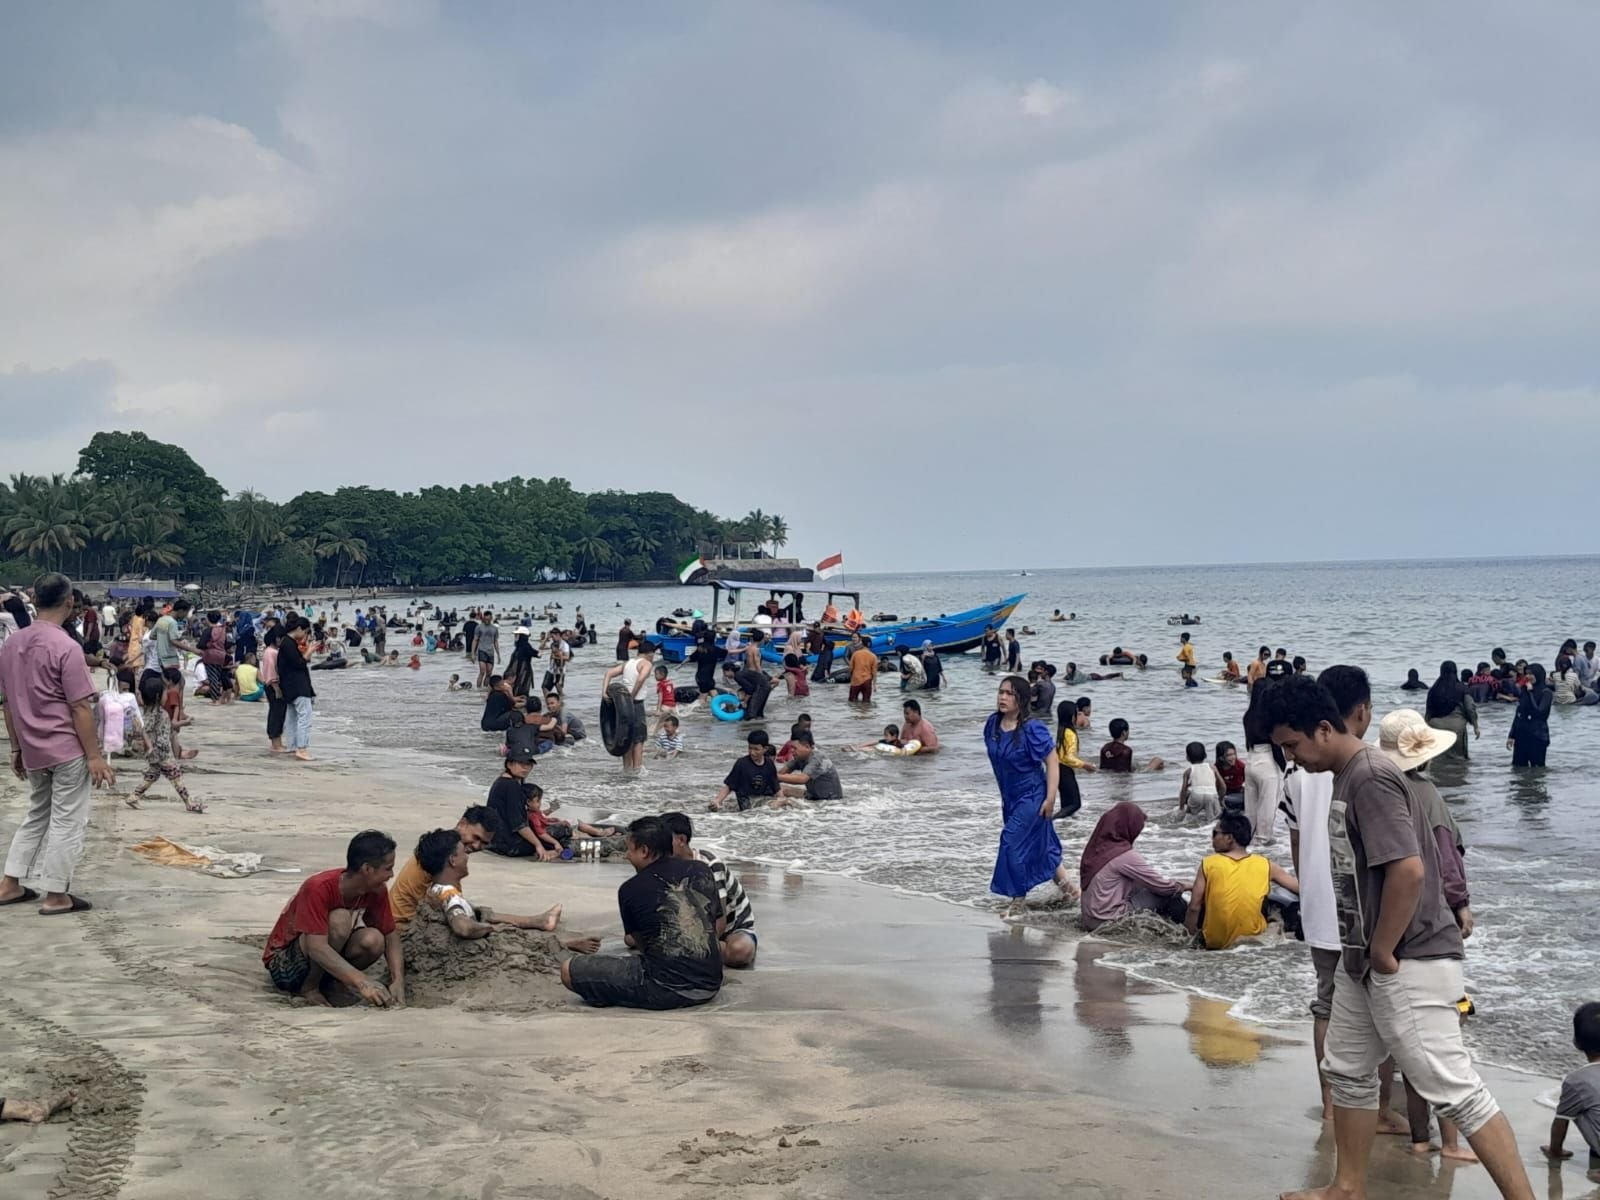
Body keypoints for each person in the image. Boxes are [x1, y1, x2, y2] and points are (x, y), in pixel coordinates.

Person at [1262, 675, 1534, 1200]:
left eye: (1293, 746)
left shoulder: (1370, 776)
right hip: (1362, 956)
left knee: (1452, 1087)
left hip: (1408, 956)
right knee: (1346, 1067)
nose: (1292, 759)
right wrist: (1364, 953)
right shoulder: (1347, 775)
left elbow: (1408, 872)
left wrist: (1383, 948)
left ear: (1324, 729)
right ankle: (1347, 1186)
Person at [0, 574, 115, 916]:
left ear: (34, 601)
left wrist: (17, 748)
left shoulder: (11, 644)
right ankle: (55, 893)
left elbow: (7, 701)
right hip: (66, 747)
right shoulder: (66, 646)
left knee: (37, 814)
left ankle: (10, 883)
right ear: (69, 603)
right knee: (67, 820)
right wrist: (94, 756)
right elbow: (80, 705)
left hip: (33, 747)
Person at [561, 816, 723, 1010]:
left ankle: (611, 995)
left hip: (666, 988)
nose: (626, 856)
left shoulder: (630, 889)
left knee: (568, 970)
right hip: (711, 982)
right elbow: (713, 924)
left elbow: (642, 945)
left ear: (644, 851)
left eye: (629, 849)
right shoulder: (702, 869)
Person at [261, 830, 404, 1007]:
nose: (391, 875)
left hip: (321, 958)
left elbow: (390, 935)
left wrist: (397, 980)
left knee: (373, 939)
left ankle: (332, 983)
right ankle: (309, 988)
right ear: (367, 869)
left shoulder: (376, 890)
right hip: (285, 964)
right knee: (340, 920)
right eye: (388, 869)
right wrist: (361, 981)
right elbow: (316, 948)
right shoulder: (318, 887)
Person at [984, 674, 1079, 917]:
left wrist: (1050, 798)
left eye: (1009, 694)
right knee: (1041, 843)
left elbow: (1053, 762)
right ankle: (1069, 890)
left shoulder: (1032, 728)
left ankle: (1018, 901)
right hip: (1011, 797)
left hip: (1034, 795)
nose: (1002, 697)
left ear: (1022, 699)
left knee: (1011, 841)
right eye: (1001, 692)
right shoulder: (993, 724)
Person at [409, 828, 566, 939]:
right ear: (453, 860)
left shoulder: (434, 888)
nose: (467, 857)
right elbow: (462, 927)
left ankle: (540, 922)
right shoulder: (449, 894)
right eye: (463, 852)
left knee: (481, 912)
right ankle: (566, 943)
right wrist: (491, 928)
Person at [1183, 811, 1299, 950]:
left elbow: (1194, 907)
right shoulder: (1266, 864)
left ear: (1229, 838)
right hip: (1255, 941)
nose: (1212, 839)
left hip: (1215, 942)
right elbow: (1300, 889)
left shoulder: (1208, 864)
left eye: (1215, 834)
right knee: (1275, 919)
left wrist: (1189, 938)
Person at [662, 812, 756, 966]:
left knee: (739, 952)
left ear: (681, 840)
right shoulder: (665, 867)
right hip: (691, 926)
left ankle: (698, 950)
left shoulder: (710, 866)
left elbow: (721, 919)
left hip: (732, 928)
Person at [1078, 801, 1188, 930]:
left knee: (1145, 889)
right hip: (1107, 921)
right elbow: (1164, 888)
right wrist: (1185, 886)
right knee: (1170, 896)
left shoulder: (1096, 850)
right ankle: (1189, 934)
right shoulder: (1123, 855)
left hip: (1089, 919)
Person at [389, 805, 501, 924]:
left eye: (484, 843)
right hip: (403, 926)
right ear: (462, 823)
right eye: (476, 837)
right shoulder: (439, 853)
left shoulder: (445, 849)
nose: (477, 846)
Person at [125, 673, 203, 813]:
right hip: (161, 752)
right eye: (165, 694)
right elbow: (144, 729)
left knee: (152, 775)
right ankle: (189, 802)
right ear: (157, 697)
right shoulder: (156, 713)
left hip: (157, 752)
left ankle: (134, 796)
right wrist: (148, 745)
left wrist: (183, 723)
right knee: (175, 775)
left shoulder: (157, 712)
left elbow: (166, 727)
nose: (166, 696)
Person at [1543, 1002, 1600, 1175]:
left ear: (1576, 1043)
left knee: (1571, 1110)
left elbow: (1560, 1122)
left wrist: (1555, 1151)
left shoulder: (1576, 1081)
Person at [483, 748, 552, 858]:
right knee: (560, 832)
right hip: (510, 845)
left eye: (529, 764)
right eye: (521, 763)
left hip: (494, 840)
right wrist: (538, 845)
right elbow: (518, 824)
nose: (525, 767)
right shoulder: (512, 786)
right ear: (509, 764)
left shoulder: (501, 781)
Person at [1242, 680, 1284, 844]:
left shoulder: (1248, 716)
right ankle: (1263, 840)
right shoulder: (1269, 717)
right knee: (1267, 804)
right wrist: (1285, 767)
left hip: (1251, 759)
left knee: (1250, 807)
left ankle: (1248, 838)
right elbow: (1275, 745)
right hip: (1267, 760)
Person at [601, 640, 654, 770]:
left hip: (620, 705)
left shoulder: (628, 663)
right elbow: (641, 679)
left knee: (626, 737)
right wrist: (632, 696)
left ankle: (626, 769)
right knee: (638, 739)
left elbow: (608, 673)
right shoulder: (646, 663)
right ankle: (637, 769)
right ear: (651, 653)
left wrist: (604, 692)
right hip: (635, 704)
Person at [277, 617, 316, 762]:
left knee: (292, 717)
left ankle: (293, 746)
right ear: (299, 629)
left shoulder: (286, 643)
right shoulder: (288, 643)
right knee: (304, 717)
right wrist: (309, 652)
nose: (305, 635)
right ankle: (301, 748)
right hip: (298, 686)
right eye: (305, 631)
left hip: (289, 686)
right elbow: (298, 664)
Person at [710, 730, 780, 811]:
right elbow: (729, 786)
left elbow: (776, 787)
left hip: (764, 799)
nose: (752, 752)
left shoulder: (769, 764)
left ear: (765, 749)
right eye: (750, 748)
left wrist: (782, 799)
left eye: (756, 749)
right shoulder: (742, 764)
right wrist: (717, 801)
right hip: (747, 803)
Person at [1424, 660, 1479, 758]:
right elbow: (1470, 708)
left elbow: (1428, 712)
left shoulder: (1434, 689)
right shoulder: (1463, 688)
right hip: (1456, 728)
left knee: (1438, 760)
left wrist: (1424, 729)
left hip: (1436, 728)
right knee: (1459, 760)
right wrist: (1475, 726)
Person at [1053, 698, 1094, 821]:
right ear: (1072, 717)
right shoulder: (1070, 734)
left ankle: (1065, 826)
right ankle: (1051, 821)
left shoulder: (1062, 731)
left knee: (1066, 804)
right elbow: (1068, 757)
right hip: (1065, 770)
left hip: (1058, 769)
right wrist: (1085, 765)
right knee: (1075, 804)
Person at [774, 732, 843, 802]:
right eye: (791, 748)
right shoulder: (799, 758)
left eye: (794, 748)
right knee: (779, 789)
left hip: (831, 801)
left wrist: (774, 777)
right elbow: (781, 773)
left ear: (807, 747)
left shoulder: (817, 758)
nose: (792, 751)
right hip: (813, 796)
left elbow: (802, 779)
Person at [1508, 663, 1553, 767]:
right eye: (1526, 674)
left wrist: (1531, 692)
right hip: (1521, 734)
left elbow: (1539, 712)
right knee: (1518, 768)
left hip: (1538, 736)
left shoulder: (1546, 693)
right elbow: (1519, 714)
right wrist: (1511, 735)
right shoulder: (1524, 691)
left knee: (1537, 769)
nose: (1528, 676)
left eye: (1531, 674)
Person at [1177, 741, 1224, 821]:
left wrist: (1181, 808)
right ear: (1205, 755)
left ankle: (1184, 823)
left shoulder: (1188, 771)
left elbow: (1183, 791)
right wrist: (1220, 799)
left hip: (1196, 796)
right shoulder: (1212, 768)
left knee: (1190, 816)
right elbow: (1223, 786)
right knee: (1214, 818)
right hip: (1212, 795)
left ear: (1187, 758)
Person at [1099, 718, 1163, 772]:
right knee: (1157, 760)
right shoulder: (1126, 750)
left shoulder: (1105, 747)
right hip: (1124, 775)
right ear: (1124, 733)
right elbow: (1126, 771)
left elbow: (1102, 767)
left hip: (1111, 772)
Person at [846, 633, 878, 703]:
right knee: (866, 703)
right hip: (867, 681)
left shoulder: (855, 654)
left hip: (856, 680)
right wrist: (874, 685)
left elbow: (850, 668)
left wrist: (851, 678)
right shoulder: (873, 656)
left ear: (862, 644)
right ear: (869, 644)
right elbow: (874, 672)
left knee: (852, 702)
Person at [472, 613, 500, 688]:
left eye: (488, 619)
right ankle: (478, 689)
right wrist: (473, 654)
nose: (487, 620)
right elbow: (475, 640)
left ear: (491, 618)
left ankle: (485, 689)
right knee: (482, 672)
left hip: (490, 652)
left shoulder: (494, 628)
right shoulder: (479, 627)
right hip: (482, 650)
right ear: (483, 618)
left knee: (489, 673)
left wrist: (498, 655)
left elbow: (495, 641)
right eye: (485, 619)